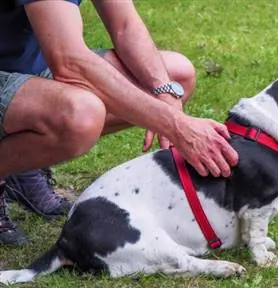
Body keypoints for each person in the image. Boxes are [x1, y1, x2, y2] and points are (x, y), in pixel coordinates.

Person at [0, 0, 239, 245]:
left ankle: (21, 165)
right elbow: (70, 63)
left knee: (175, 76)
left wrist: (164, 92)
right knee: (80, 116)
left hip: (32, 67)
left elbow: (125, 25)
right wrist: (174, 123)